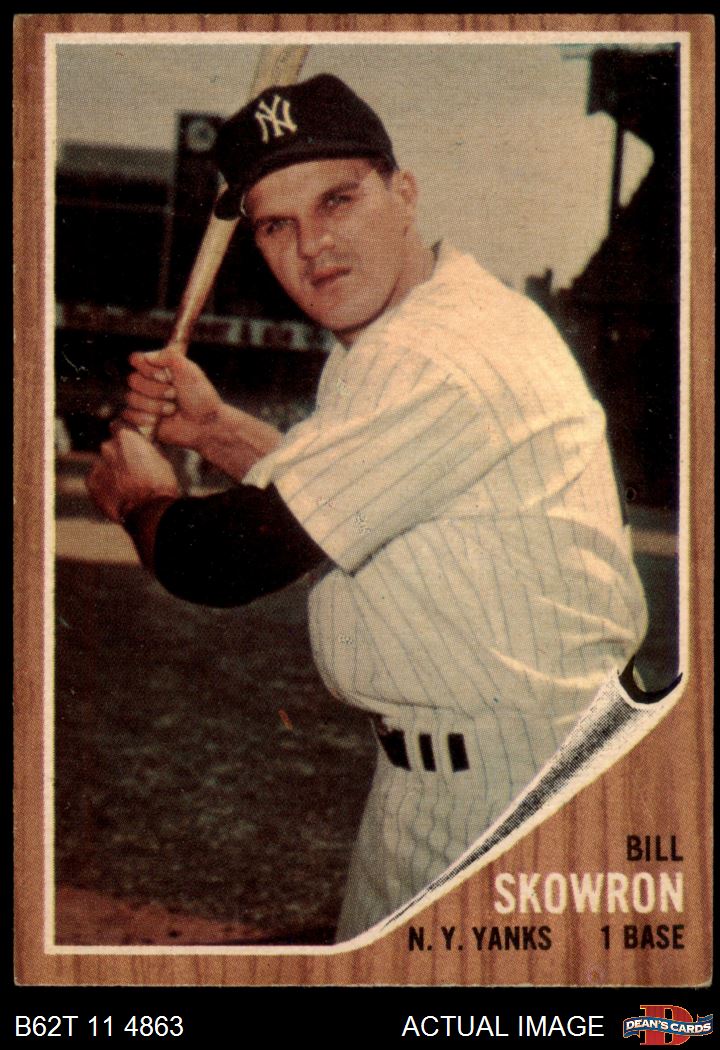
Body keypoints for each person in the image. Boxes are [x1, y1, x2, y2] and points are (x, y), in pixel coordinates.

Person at [87, 73, 648, 942]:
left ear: (404, 192)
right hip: (467, 775)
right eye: (276, 225)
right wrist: (215, 430)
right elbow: (372, 504)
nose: (313, 245)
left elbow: (224, 558)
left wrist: (139, 497)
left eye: (337, 200)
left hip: (512, 790)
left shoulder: (434, 354)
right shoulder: (433, 319)